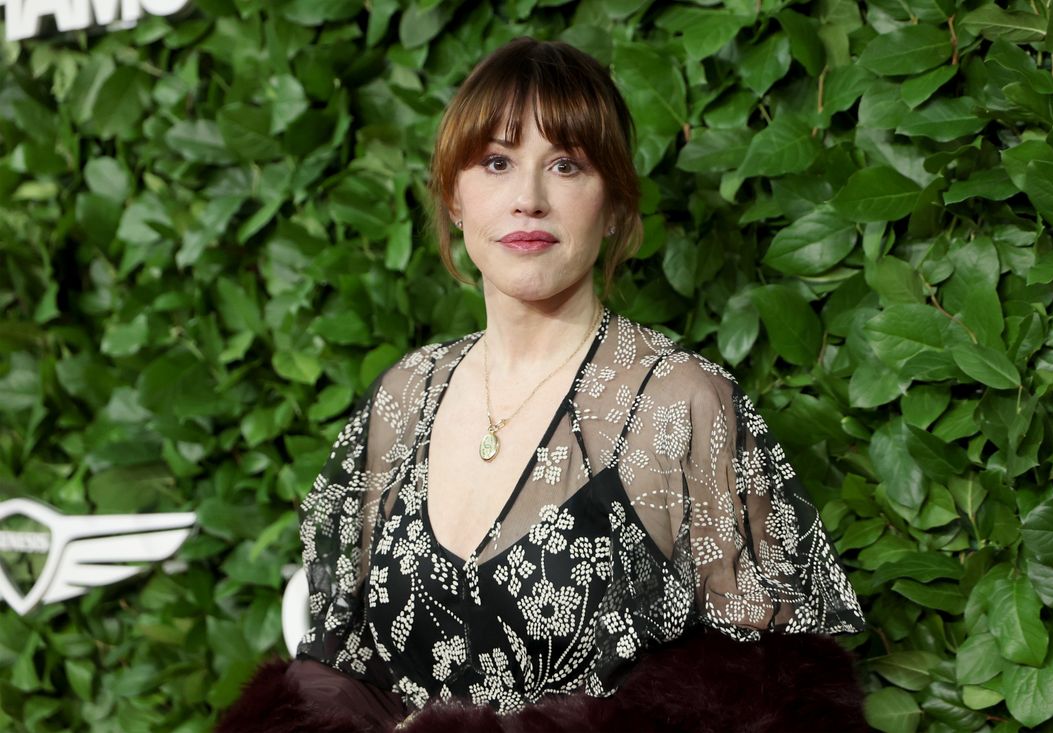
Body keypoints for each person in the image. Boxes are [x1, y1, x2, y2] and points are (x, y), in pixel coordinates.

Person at [218, 37, 867, 733]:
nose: (528, 200)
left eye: (566, 165)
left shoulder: (679, 403)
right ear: (456, 197)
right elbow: (340, 665)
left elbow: (774, 690)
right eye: (496, 162)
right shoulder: (406, 395)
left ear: (613, 204)